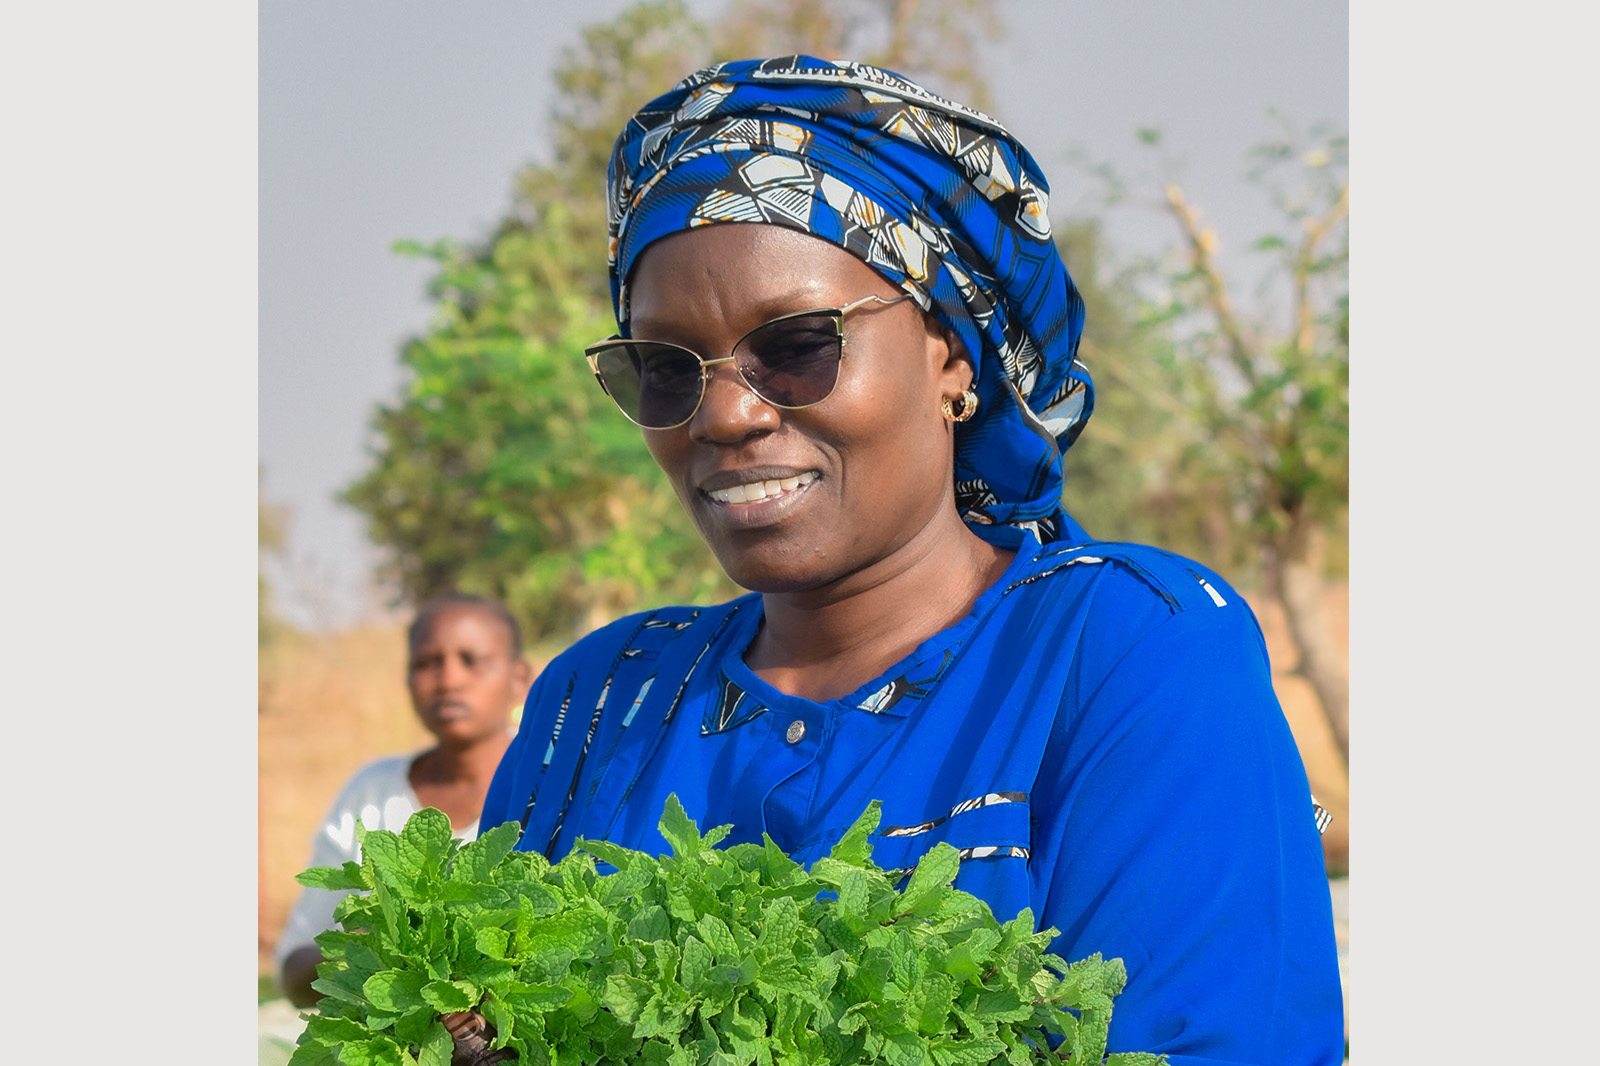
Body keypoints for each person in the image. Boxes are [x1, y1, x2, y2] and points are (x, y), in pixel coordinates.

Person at [479, 56, 1345, 1064]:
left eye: (795, 344)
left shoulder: (1122, 650)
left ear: (952, 358)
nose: (725, 413)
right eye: (666, 368)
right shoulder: (602, 702)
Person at [276, 593, 532, 1008]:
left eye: (472, 660)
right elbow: (294, 970)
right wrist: (365, 948)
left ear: (519, 678)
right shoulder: (372, 792)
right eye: (427, 663)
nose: (449, 679)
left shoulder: (553, 787)